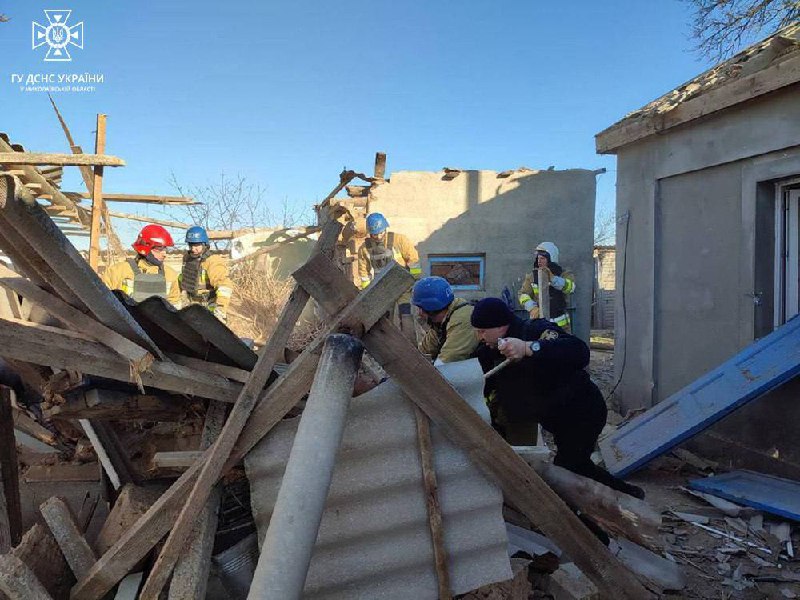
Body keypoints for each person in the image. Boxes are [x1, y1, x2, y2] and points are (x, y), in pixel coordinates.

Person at [471, 297, 644, 499]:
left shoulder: (535, 331)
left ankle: (622, 502)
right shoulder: (489, 351)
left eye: (482, 331)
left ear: (501, 326)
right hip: (557, 420)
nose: (479, 336)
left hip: (583, 412)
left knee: (568, 469)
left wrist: (528, 348)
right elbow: (479, 383)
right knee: (575, 466)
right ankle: (623, 497)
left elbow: (579, 351)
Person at [102, 224, 181, 307]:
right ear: (145, 248)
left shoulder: (170, 274)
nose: (164, 254)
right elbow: (103, 300)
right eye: (159, 249)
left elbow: (174, 305)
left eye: (165, 249)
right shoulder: (118, 271)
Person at [412, 276, 478, 364]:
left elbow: (448, 360)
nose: (419, 313)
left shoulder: (462, 319)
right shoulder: (441, 321)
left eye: (421, 308)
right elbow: (424, 351)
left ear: (431, 308)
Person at [179, 226, 233, 322]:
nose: (193, 249)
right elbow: (184, 279)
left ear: (205, 244)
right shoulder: (187, 258)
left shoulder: (213, 261)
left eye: (197, 245)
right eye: (191, 245)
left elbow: (224, 285)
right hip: (191, 305)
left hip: (209, 306)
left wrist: (220, 311)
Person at [518, 242, 575, 332]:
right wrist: (532, 307)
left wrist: (553, 279)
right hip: (540, 324)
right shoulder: (532, 276)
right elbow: (523, 294)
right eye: (538, 258)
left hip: (561, 327)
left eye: (543, 258)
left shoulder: (564, 274)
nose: (539, 261)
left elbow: (570, 288)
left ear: (551, 259)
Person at [357, 213, 421, 289]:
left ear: (385, 229)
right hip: (382, 288)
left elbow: (413, 260)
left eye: (381, 233)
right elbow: (364, 273)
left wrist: (415, 281)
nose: (379, 237)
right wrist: (367, 291)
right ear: (370, 233)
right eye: (375, 235)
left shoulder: (399, 240)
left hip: (403, 285)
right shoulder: (364, 249)